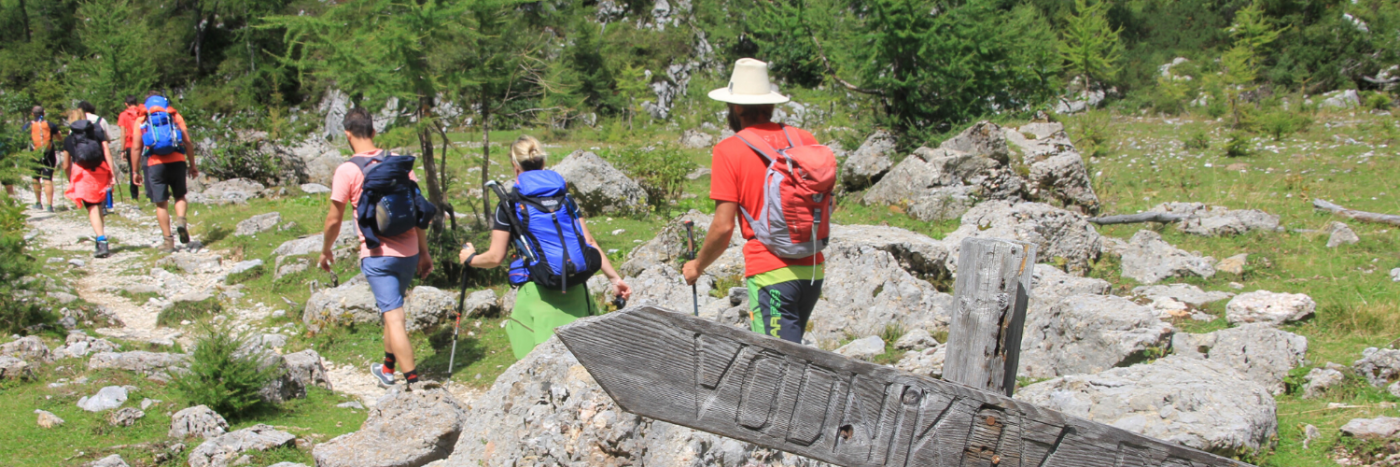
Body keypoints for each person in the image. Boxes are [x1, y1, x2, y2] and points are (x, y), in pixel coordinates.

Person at [682, 58, 828, 344]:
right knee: (793, 358)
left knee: (778, 366)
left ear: (736, 108)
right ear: (770, 104)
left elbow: (724, 227)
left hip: (771, 273)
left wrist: (697, 266)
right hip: (812, 268)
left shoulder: (729, 149)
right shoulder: (804, 139)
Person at [458, 135, 632, 359]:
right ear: (543, 163)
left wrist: (470, 258)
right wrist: (615, 279)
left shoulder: (510, 205)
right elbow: (589, 243)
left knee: (537, 371)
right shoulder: (565, 200)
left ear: (515, 166)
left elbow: (495, 257)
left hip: (537, 296)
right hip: (577, 291)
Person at [318, 107, 434, 387]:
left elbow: (334, 219)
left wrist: (326, 250)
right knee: (391, 307)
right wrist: (424, 251)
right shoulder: (396, 162)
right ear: (373, 131)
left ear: (347, 134)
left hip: (377, 256)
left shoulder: (347, 171)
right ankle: (387, 367)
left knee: (394, 317)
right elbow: (416, 208)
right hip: (408, 253)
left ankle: (413, 384)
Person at [131, 92, 198, 252]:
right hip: (177, 160)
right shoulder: (174, 116)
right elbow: (187, 142)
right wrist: (192, 164)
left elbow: (136, 147)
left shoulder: (142, 119)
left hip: (155, 164)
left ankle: (168, 241)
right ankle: (181, 220)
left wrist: (135, 171)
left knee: (161, 204)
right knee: (180, 196)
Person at [60, 109, 118, 258]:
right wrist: (112, 174)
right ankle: (100, 237)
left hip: (83, 174)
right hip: (101, 170)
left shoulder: (69, 139)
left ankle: (101, 240)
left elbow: (66, 165)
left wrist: (70, 179)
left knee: (92, 206)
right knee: (98, 204)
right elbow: (107, 153)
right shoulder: (97, 133)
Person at [21, 106, 61, 212]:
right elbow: (59, 137)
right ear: (44, 113)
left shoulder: (28, 126)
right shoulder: (50, 124)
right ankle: (49, 205)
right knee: (48, 179)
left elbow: (22, 138)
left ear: (32, 114)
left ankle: (38, 202)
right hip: (49, 154)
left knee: (36, 178)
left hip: (34, 154)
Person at [116, 95, 142, 199]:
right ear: (136, 102)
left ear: (126, 104)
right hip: (144, 143)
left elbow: (123, 133)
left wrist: (122, 150)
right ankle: (151, 193)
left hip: (130, 144)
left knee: (133, 170)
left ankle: (134, 195)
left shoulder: (123, 115)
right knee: (147, 167)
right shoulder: (142, 112)